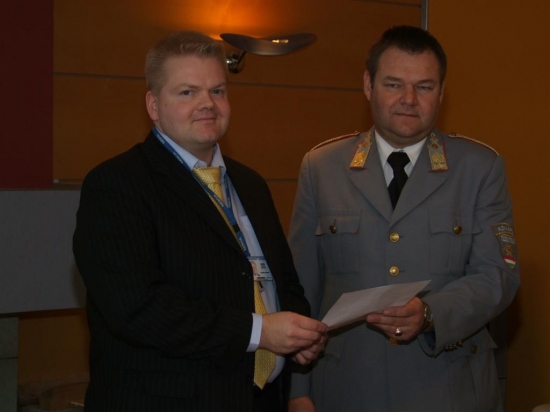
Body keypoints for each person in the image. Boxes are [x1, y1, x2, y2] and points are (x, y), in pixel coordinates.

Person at [73, 31, 327, 412]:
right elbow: (137, 307)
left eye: (217, 91)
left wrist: (299, 331)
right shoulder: (116, 184)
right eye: (187, 92)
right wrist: (260, 332)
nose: (207, 103)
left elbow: (284, 282)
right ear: (153, 105)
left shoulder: (251, 184)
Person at [288, 25, 519, 412]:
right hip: (347, 389)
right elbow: (301, 286)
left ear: (441, 93)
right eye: (394, 85)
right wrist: (297, 390)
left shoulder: (479, 168)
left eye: (424, 87)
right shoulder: (322, 167)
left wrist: (431, 314)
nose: (409, 100)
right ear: (368, 85)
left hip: (449, 388)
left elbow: (498, 275)